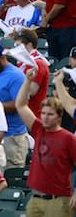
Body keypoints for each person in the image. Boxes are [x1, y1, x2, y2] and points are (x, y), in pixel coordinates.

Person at [16, 71, 76, 216]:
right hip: (35, 198)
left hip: (58, 201)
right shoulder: (38, 129)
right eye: (43, 113)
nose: (45, 118)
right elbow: (21, 105)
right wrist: (27, 81)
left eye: (50, 114)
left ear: (59, 117)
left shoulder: (68, 138)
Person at [0, 43, 28, 170]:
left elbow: (20, 104)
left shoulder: (16, 76)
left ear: (2, 58)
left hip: (13, 136)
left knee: (11, 177)